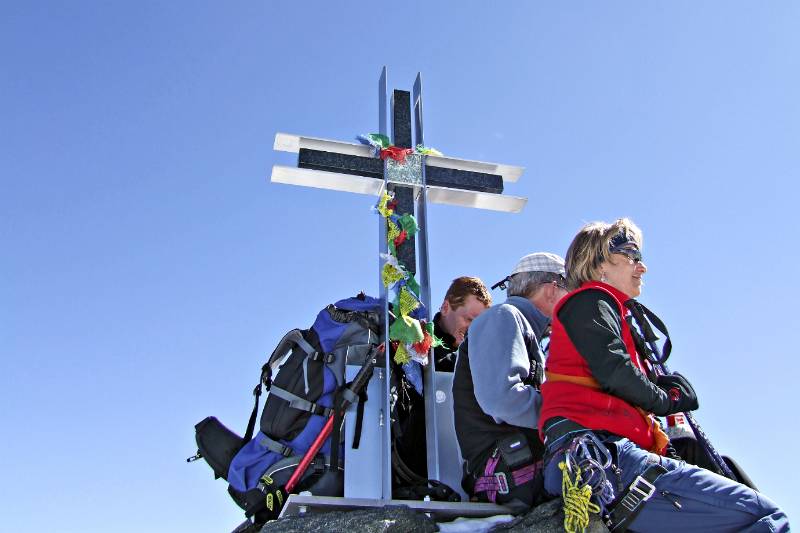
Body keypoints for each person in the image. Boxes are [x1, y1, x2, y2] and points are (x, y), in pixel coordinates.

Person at [539, 219, 789, 532]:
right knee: (765, 516)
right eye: (632, 256)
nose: (641, 267)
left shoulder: (599, 309)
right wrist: (665, 399)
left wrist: (657, 389)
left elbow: (609, 374)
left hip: (602, 459)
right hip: (606, 456)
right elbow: (615, 371)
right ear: (599, 262)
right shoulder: (589, 301)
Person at [453, 252, 568, 510]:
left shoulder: (522, 327)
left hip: (523, 475)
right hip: (514, 478)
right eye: (570, 291)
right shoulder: (503, 317)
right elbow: (503, 400)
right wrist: (568, 415)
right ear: (552, 290)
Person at [393, 276, 491, 487]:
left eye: (480, 323)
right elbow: (436, 365)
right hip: (420, 459)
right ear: (446, 307)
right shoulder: (422, 337)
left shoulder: (470, 350)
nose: (473, 328)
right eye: (469, 319)